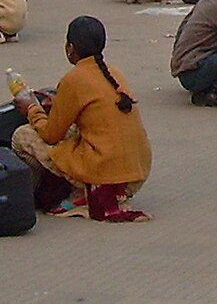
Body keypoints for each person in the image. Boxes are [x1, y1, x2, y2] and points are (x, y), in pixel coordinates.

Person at [11, 16, 153, 220]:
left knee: (22, 135)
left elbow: (51, 135)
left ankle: (58, 192)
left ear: (70, 48)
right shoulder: (114, 72)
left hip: (107, 177)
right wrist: (59, 104)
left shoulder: (73, 79)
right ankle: (89, 189)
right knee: (74, 133)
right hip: (137, 174)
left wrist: (32, 109)